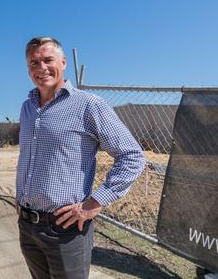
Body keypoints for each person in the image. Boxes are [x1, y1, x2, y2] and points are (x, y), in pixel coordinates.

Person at [16, 36, 145, 279]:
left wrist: (94, 203)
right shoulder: (27, 107)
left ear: (63, 62)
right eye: (34, 63)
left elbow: (132, 156)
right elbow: (28, 157)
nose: (41, 68)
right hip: (28, 227)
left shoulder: (88, 105)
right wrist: (20, 197)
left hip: (65, 229)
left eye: (48, 60)